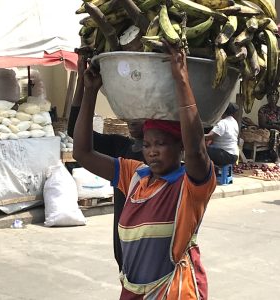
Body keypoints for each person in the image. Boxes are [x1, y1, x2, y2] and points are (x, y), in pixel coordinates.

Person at [73, 43, 216, 299]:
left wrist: (181, 78)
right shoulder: (136, 175)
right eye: (148, 144)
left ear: (179, 146)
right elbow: (82, 153)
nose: (152, 151)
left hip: (174, 289)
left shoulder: (190, 186)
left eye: (161, 144)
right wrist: (90, 91)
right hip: (133, 290)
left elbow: (196, 151)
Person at [67, 55, 144, 272]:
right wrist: (85, 85)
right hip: (124, 252)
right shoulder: (122, 149)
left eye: (140, 114)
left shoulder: (166, 156)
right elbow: (75, 132)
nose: (132, 120)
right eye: (130, 114)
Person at [258, 89, 280, 162]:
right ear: (268, 99)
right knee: (275, 132)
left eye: (275, 98)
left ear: (278, 98)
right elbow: (262, 124)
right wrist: (275, 126)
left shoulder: (279, 109)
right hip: (267, 130)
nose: (273, 100)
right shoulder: (263, 109)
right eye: (271, 98)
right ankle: (275, 156)